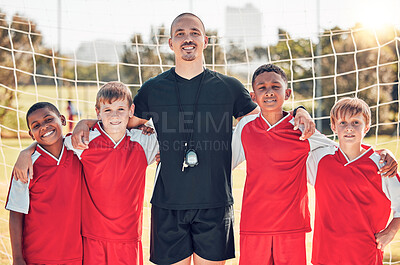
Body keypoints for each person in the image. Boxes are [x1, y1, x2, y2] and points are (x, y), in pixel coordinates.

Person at [70, 13, 315, 265]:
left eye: (194, 32)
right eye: (180, 33)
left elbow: (270, 113)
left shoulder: (229, 86)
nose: (188, 38)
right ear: (170, 43)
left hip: (215, 202)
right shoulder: (153, 88)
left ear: (205, 40)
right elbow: (119, 121)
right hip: (168, 203)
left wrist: (300, 111)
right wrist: (85, 122)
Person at [231, 64, 397, 265]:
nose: (269, 92)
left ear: (288, 93)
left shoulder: (301, 128)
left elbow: (342, 146)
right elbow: (224, 164)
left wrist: (381, 153)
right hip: (254, 224)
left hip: (292, 226)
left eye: (276, 86)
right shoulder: (245, 127)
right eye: (262, 87)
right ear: (253, 96)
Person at [12, 82, 159, 265]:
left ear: (131, 110)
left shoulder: (144, 142)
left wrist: (143, 124)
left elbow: (169, 132)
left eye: (121, 109)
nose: (114, 115)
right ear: (98, 112)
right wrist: (26, 152)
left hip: (129, 239)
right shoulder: (84, 141)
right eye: (107, 110)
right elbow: (52, 141)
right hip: (92, 239)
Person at [307, 97, 400, 265]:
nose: (349, 128)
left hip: (364, 255)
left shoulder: (382, 165)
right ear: (333, 127)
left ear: (367, 128)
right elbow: (293, 129)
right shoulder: (319, 158)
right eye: (342, 122)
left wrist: (391, 231)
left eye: (356, 122)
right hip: (325, 255)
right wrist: (300, 110)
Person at [6, 102, 83, 265]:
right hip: (37, 256)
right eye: (36, 125)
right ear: (30, 133)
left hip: (77, 255)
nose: (44, 127)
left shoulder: (80, 153)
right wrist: (17, 258)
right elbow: (15, 213)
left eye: (48, 119)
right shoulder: (25, 167)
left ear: (62, 119)